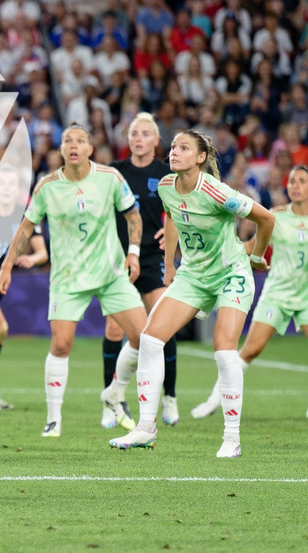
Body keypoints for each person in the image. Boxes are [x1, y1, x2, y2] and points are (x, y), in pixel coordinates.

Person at [109, 129, 275, 458]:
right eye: (173, 146)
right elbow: (172, 217)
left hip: (230, 273)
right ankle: (145, 428)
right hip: (194, 275)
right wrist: (170, 265)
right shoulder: (166, 186)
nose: (174, 152)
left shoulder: (217, 192)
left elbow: (266, 219)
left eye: (184, 148)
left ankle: (231, 438)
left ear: (200, 158)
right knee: (150, 338)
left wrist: (256, 255)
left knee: (223, 350)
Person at [0, 123, 147, 437]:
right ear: (61, 150)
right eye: (68, 141)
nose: (73, 145)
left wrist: (133, 253)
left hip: (110, 274)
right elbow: (26, 228)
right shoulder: (47, 186)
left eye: (80, 140)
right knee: (61, 345)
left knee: (143, 338)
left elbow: (133, 215)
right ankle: (53, 419)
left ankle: (115, 392)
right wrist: (6, 267)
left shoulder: (110, 178)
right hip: (67, 277)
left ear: (90, 149)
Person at [190, 166, 308, 421]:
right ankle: (212, 401)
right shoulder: (274, 216)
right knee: (250, 351)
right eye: (292, 181)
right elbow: (252, 245)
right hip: (276, 296)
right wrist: (224, 253)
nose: (295, 185)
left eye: (302, 181)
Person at [104, 113, 181, 428]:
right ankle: (113, 403)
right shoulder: (114, 172)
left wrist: (173, 232)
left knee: (164, 327)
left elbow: (180, 212)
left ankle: (170, 397)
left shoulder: (166, 175)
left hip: (152, 258)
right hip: (119, 260)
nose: (139, 138)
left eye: (145, 133)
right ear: (128, 139)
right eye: (134, 133)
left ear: (156, 141)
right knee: (114, 330)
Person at [0, 164, 47, 408]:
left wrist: (31, 259)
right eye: (1, 183)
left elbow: (42, 253)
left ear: (18, 190)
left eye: (11, 184)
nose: (6, 188)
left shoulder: (25, 216)